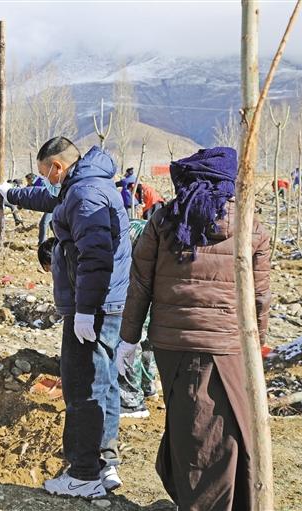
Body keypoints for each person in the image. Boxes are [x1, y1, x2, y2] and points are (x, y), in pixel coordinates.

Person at [117, 147, 271, 510]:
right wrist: (256, 349)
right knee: (223, 428)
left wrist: (128, 339)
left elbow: (139, 284)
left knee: (190, 426)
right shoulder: (251, 226)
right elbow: (260, 298)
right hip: (228, 346)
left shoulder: (164, 221)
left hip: (173, 343)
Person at [0, 137, 131, 498]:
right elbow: (49, 199)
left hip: (94, 305)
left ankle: (84, 474)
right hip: (108, 302)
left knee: (83, 385)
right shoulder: (86, 184)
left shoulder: (85, 195)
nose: (46, 181)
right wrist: (11, 194)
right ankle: (105, 461)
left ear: (57, 166)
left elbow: (95, 256)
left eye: (45, 174)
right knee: (104, 380)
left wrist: (84, 309)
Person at [117, 218, 158, 419]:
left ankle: (131, 402)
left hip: (140, 290)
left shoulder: (129, 233)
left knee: (130, 341)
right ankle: (149, 387)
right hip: (158, 290)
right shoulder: (148, 228)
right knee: (148, 340)